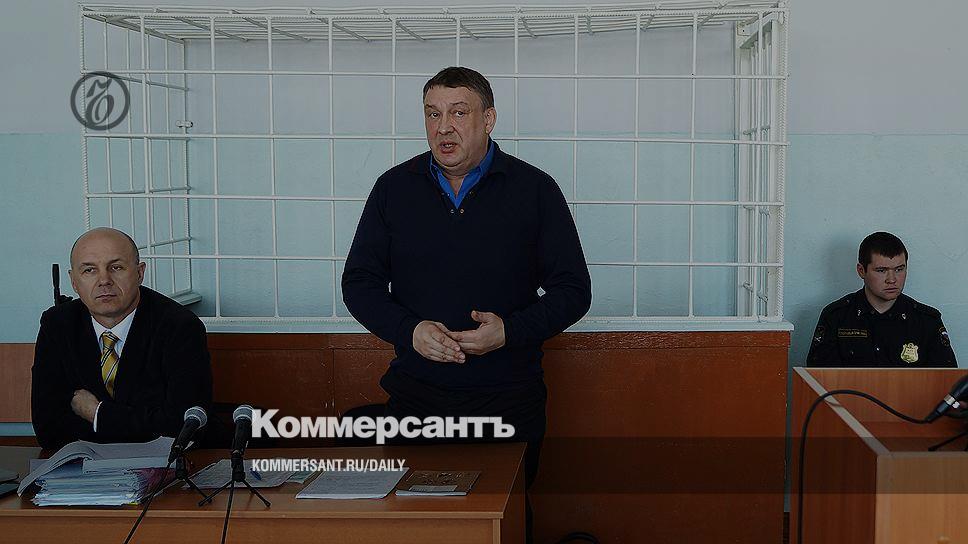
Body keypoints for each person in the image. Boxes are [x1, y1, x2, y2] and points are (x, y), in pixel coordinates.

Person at [342, 66, 592, 540]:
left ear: (488, 119)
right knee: (418, 529)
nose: (444, 127)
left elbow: (573, 291)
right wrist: (410, 330)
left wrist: (509, 332)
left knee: (502, 525)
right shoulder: (393, 188)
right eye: (433, 114)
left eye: (459, 113)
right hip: (417, 400)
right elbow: (359, 283)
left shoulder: (534, 189)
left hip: (507, 402)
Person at [31, 227, 213, 450]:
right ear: (74, 281)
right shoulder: (57, 324)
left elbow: (182, 427)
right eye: (89, 270)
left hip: (161, 464)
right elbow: (48, 429)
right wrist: (139, 421)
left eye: (116, 267)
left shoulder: (179, 326)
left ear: (140, 273)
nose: (104, 280)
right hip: (81, 465)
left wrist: (96, 413)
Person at [807, 231, 956, 367]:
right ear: (861, 271)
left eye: (899, 269)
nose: (892, 279)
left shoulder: (927, 321)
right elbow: (819, 379)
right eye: (881, 270)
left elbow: (947, 380)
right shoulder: (836, 317)